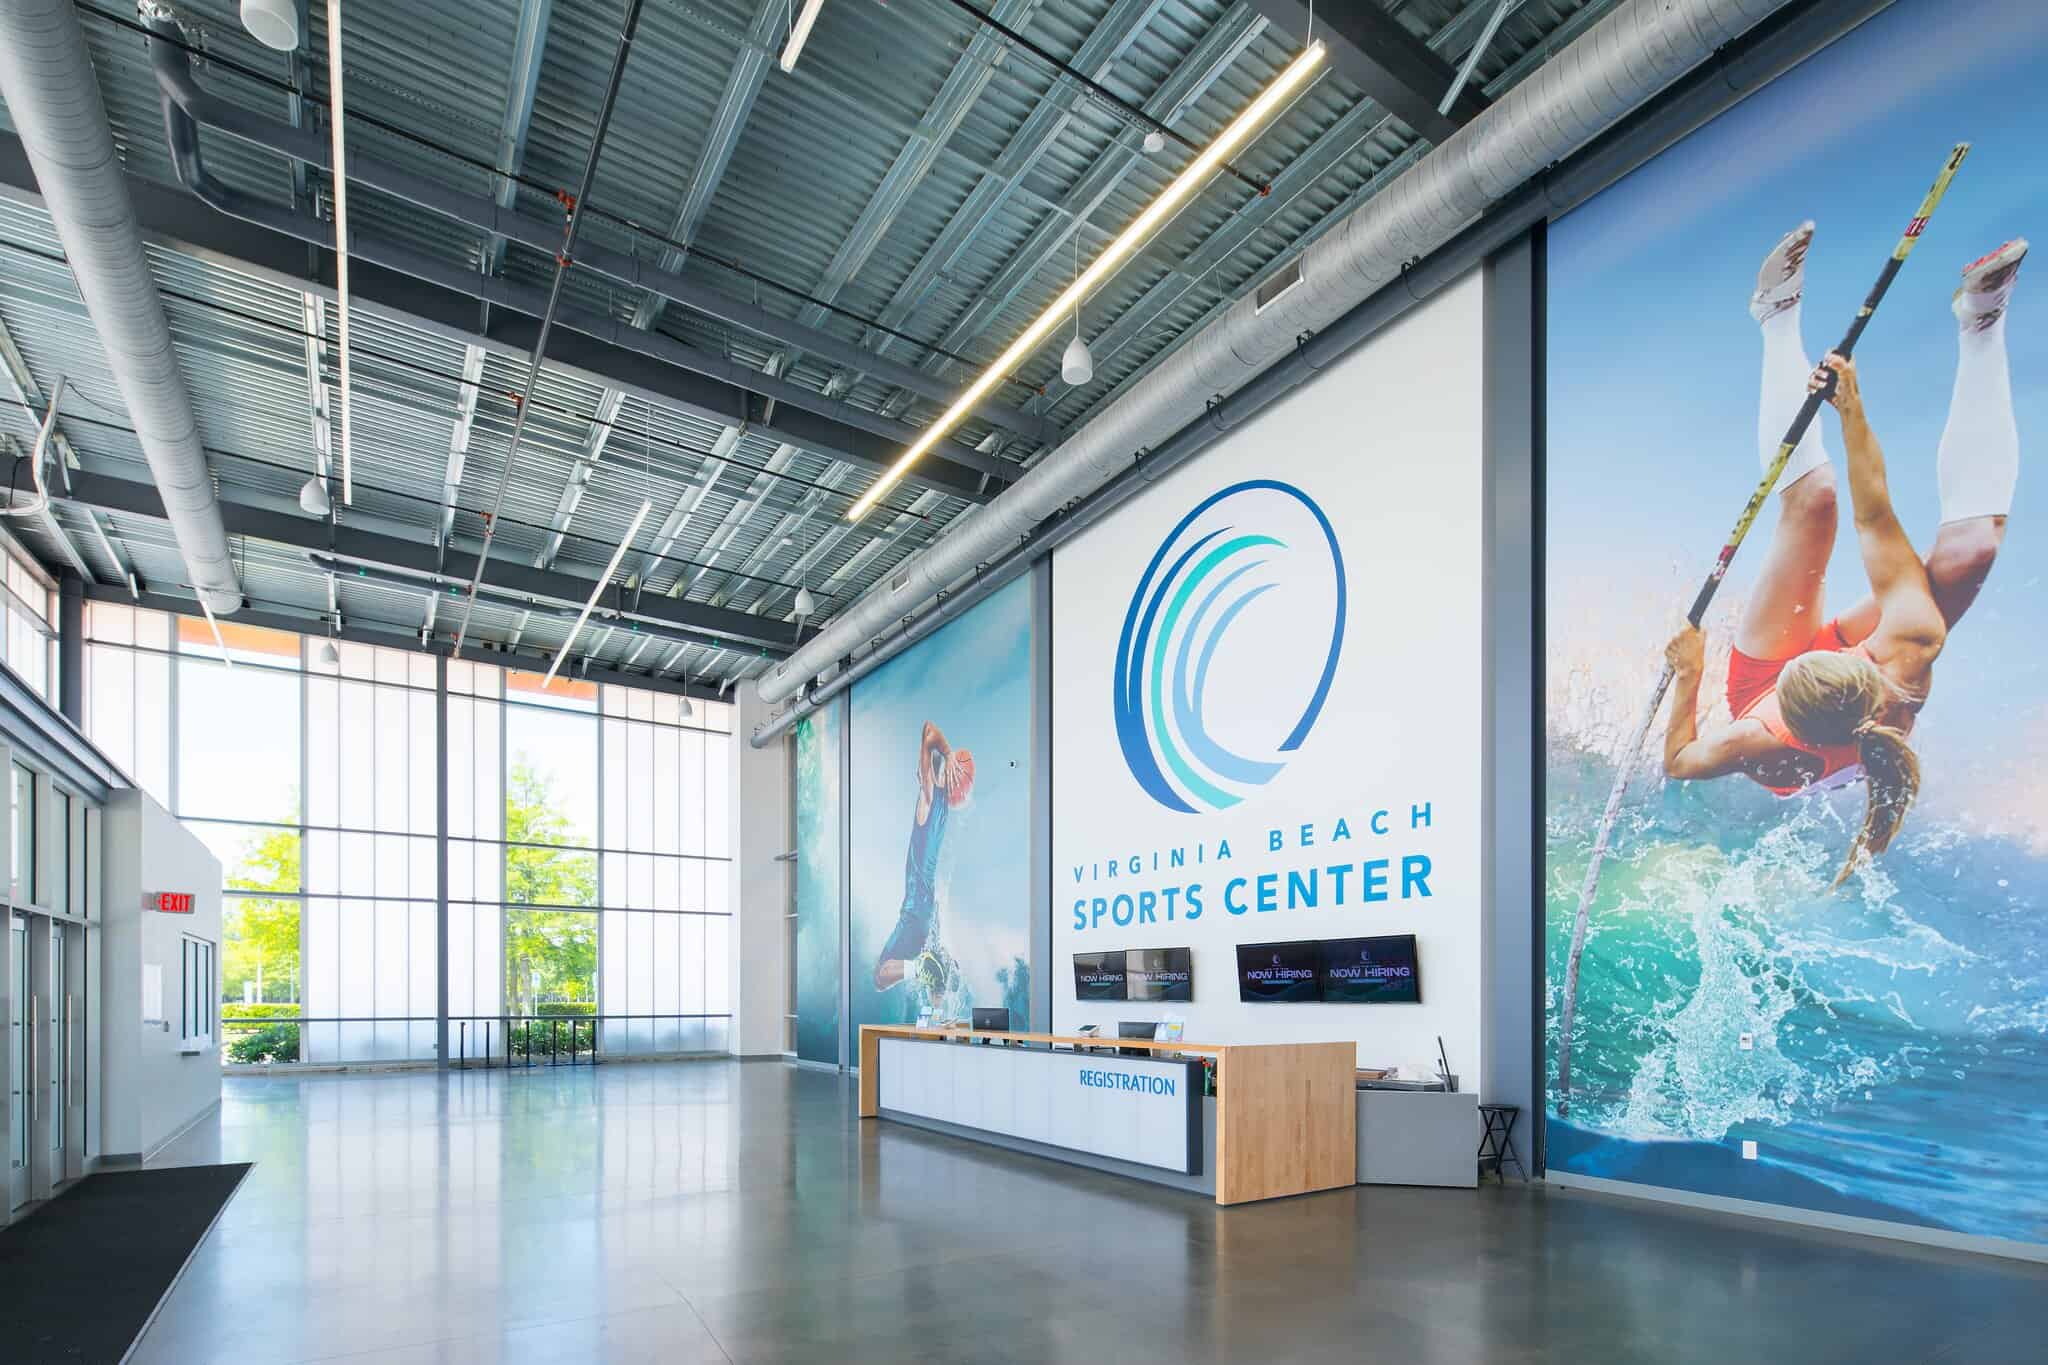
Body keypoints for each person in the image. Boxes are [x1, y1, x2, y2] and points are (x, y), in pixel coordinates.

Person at [1662, 225, 2027, 885]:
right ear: (1861, 664)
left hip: (1789, 693)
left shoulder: (1770, 721)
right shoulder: (1903, 651)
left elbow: (1682, 758)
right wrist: (1850, 412)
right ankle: (1982, 322)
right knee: (1973, 550)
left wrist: (1690, 667)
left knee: (1815, 501)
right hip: (1824, 703)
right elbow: (1878, 515)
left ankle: (1776, 312)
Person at [873, 721, 975, 993]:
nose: (918, 772)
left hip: (916, 904)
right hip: (930, 910)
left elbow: (929, 731)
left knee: (881, 974)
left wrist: (949, 754)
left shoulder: (930, 798)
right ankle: (937, 986)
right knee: (937, 988)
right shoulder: (943, 810)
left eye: (923, 769)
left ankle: (919, 967)